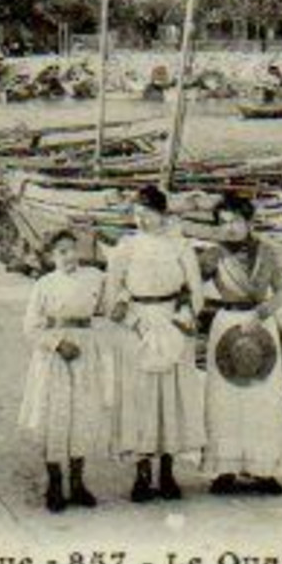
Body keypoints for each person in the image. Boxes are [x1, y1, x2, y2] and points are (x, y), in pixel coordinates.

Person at [102, 186, 206, 502]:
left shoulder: (180, 247)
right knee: (140, 399)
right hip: (137, 325)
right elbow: (111, 295)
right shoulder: (126, 247)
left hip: (172, 323)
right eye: (137, 214)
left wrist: (183, 318)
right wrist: (132, 321)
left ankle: (168, 471)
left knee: (171, 398)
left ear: (163, 214)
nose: (142, 220)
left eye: (148, 213)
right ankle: (142, 473)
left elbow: (196, 293)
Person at [202, 194, 282, 496]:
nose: (230, 228)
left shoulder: (267, 252)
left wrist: (263, 312)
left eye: (236, 221)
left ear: (249, 222)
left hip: (261, 325)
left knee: (263, 399)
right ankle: (225, 469)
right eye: (223, 222)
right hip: (227, 325)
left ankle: (262, 470)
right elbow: (187, 286)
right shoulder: (213, 255)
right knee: (224, 400)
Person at [20, 230, 112, 513]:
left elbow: (114, 297)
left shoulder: (95, 277)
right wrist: (57, 343)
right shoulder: (44, 284)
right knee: (55, 415)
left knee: (82, 415)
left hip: (85, 351)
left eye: (73, 250)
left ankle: (78, 482)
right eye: (62, 252)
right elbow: (31, 327)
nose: (70, 256)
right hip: (55, 356)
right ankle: (55, 484)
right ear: (50, 257)